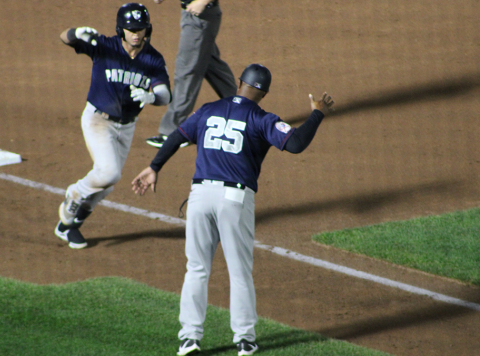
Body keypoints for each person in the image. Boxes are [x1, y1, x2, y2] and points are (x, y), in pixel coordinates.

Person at [131, 64, 334, 356]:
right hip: (234, 199)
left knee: (196, 269)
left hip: (200, 196)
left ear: (239, 83)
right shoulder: (262, 118)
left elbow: (176, 137)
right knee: (239, 272)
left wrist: (154, 167)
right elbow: (297, 144)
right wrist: (318, 113)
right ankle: (245, 340)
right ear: (263, 93)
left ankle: (189, 339)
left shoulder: (208, 109)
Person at [56, 3, 171, 249]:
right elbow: (64, 37)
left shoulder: (153, 58)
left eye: (140, 28)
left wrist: (153, 97)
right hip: (98, 119)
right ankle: (75, 192)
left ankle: (68, 226)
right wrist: (76, 33)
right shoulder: (104, 46)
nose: (136, 33)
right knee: (109, 173)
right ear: (121, 29)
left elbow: (165, 93)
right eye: (131, 29)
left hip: (127, 126)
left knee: (107, 186)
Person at [145, 0, 237, 148]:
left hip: (200, 16)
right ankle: (244, 106)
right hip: (197, 16)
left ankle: (173, 130)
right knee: (210, 64)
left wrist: (203, 1)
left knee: (186, 72)